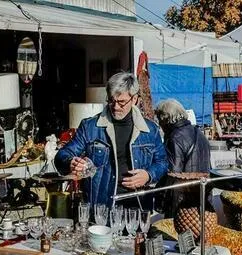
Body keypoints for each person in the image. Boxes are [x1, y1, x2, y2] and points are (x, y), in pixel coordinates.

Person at [55, 72, 168, 209]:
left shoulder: (150, 130)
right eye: (111, 101)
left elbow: (162, 162)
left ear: (135, 100)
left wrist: (148, 175)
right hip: (101, 206)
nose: (115, 107)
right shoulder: (90, 127)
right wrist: (70, 162)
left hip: (139, 205)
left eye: (121, 102)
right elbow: (62, 155)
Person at [155, 99, 210, 173]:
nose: (159, 124)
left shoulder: (175, 138)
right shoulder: (198, 132)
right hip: (202, 181)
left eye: (159, 119)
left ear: (164, 118)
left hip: (185, 183)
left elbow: (174, 172)